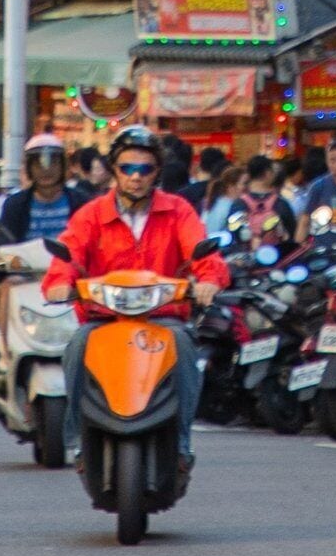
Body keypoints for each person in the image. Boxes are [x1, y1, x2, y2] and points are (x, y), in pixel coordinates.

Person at [38, 125, 226, 462]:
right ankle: (78, 438)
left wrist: (209, 278)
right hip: (103, 320)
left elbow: (202, 250)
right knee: (77, 344)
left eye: (144, 169)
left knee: (184, 346)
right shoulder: (91, 214)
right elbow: (69, 251)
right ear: (114, 170)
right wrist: (59, 282)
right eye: (126, 168)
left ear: (156, 172)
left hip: (164, 319)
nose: (135, 177)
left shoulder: (178, 210)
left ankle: (182, 443)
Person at [0, 135, 77, 244]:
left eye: (53, 163)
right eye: (37, 164)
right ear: (29, 168)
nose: (46, 170)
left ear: (62, 166)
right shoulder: (15, 205)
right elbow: (3, 244)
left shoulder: (80, 203)